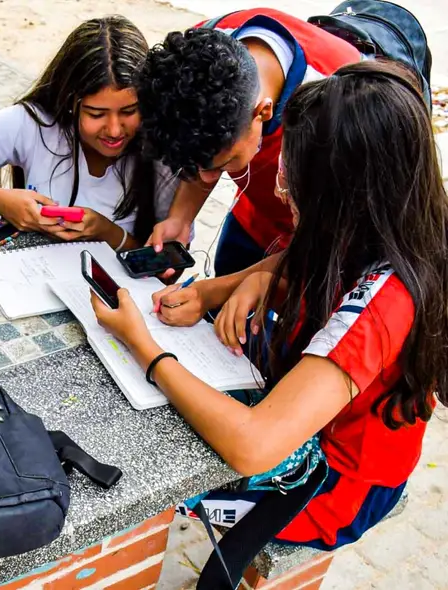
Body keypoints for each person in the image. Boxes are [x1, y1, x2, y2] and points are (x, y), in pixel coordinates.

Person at [92, 59, 445, 559]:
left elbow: (254, 446)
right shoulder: (388, 224)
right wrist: (218, 290)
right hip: (307, 412)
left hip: (331, 484)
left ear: (345, 196)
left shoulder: (381, 307)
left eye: (291, 182)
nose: (280, 191)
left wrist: (145, 349)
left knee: (150, 491)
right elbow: (303, 258)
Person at [136, 8, 361, 277]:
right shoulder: (193, 58)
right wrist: (180, 218)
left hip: (327, 240)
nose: (206, 179)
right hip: (254, 218)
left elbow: (335, 243)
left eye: (224, 164)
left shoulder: (339, 103)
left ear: (263, 113)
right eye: (195, 166)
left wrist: (221, 290)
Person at [0, 16, 182, 253]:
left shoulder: (164, 156)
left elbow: (165, 275)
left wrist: (108, 232)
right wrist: (0, 200)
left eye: (129, 111)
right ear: (71, 101)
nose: (114, 130)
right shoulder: (33, 123)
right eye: (96, 114)